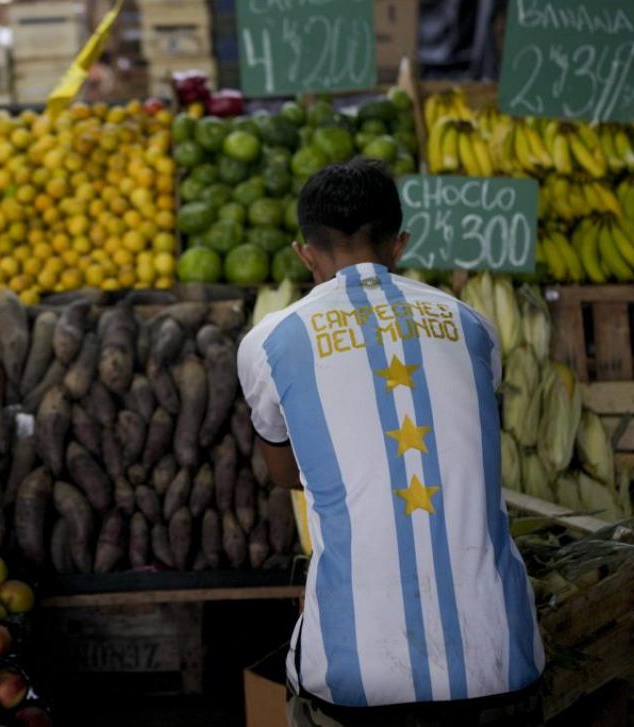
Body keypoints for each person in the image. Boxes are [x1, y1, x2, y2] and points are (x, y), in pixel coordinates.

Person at [237, 159, 545, 726]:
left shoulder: (270, 341)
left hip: (354, 683)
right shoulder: (472, 325)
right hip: (503, 661)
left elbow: (283, 474)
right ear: (400, 244)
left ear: (305, 254)